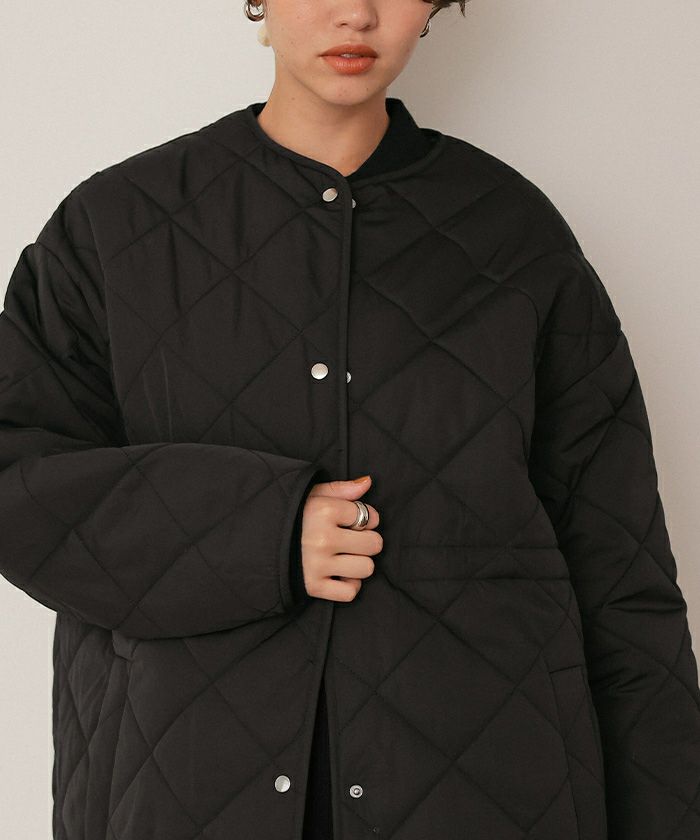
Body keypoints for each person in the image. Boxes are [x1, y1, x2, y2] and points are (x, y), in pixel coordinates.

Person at [2, 1, 699, 839]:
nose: (357, 13)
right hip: (185, 783)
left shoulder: (517, 239)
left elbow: (621, 580)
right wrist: (256, 531)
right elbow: (20, 479)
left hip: (487, 791)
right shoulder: (115, 227)